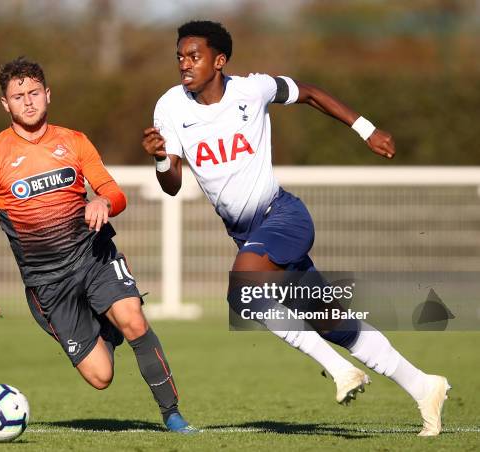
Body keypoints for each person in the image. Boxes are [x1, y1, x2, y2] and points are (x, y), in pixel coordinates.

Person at [142, 20, 449, 436]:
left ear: (219, 60)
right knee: (332, 322)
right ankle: (424, 385)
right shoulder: (169, 107)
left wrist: (366, 129)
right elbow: (172, 184)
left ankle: (341, 371)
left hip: (283, 217)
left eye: (193, 56)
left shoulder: (253, 89)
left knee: (242, 291)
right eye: (179, 56)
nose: (184, 64)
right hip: (249, 234)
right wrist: (161, 158)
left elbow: (308, 92)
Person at [0, 57, 195, 434]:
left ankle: (173, 415)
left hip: (94, 257)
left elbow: (116, 194)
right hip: (48, 282)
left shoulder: (74, 141)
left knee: (134, 318)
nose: (28, 101)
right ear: (5, 104)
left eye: (34, 92)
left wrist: (102, 201)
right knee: (101, 376)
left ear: (48, 94)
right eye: (18, 96)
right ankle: (108, 329)